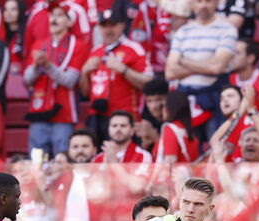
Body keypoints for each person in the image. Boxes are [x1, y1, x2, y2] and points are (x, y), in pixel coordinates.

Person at [23, 3, 88, 156]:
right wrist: (36, 67)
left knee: (62, 160)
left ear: (69, 22)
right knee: (36, 162)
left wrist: (47, 65)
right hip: (39, 111)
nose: (54, 19)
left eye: (60, 15)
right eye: (52, 15)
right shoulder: (39, 44)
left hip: (63, 113)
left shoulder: (78, 46)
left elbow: (70, 81)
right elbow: (27, 80)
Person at [165, 0, 237, 137]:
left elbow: (217, 67)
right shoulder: (183, 32)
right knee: (186, 149)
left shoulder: (227, 29)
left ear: (217, 3)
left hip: (214, 98)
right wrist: (207, 64)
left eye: (208, 1)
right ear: (191, 4)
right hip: (185, 101)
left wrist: (183, 61)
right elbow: (170, 72)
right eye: (199, 1)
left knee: (216, 146)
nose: (203, 5)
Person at [80, 8, 153, 142]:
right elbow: (85, 93)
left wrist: (124, 70)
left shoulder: (134, 49)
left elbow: (149, 84)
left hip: (124, 117)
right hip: (97, 117)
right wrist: (84, 72)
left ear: (122, 25)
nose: (108, 30)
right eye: (104, 25)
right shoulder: (95, 51)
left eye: (113, 25)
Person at [154, 90, 199, 163]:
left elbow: (170, 162)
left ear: (171, 108)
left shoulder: (170, 129)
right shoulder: (190, 132)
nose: (163, 109)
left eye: (165, 105)